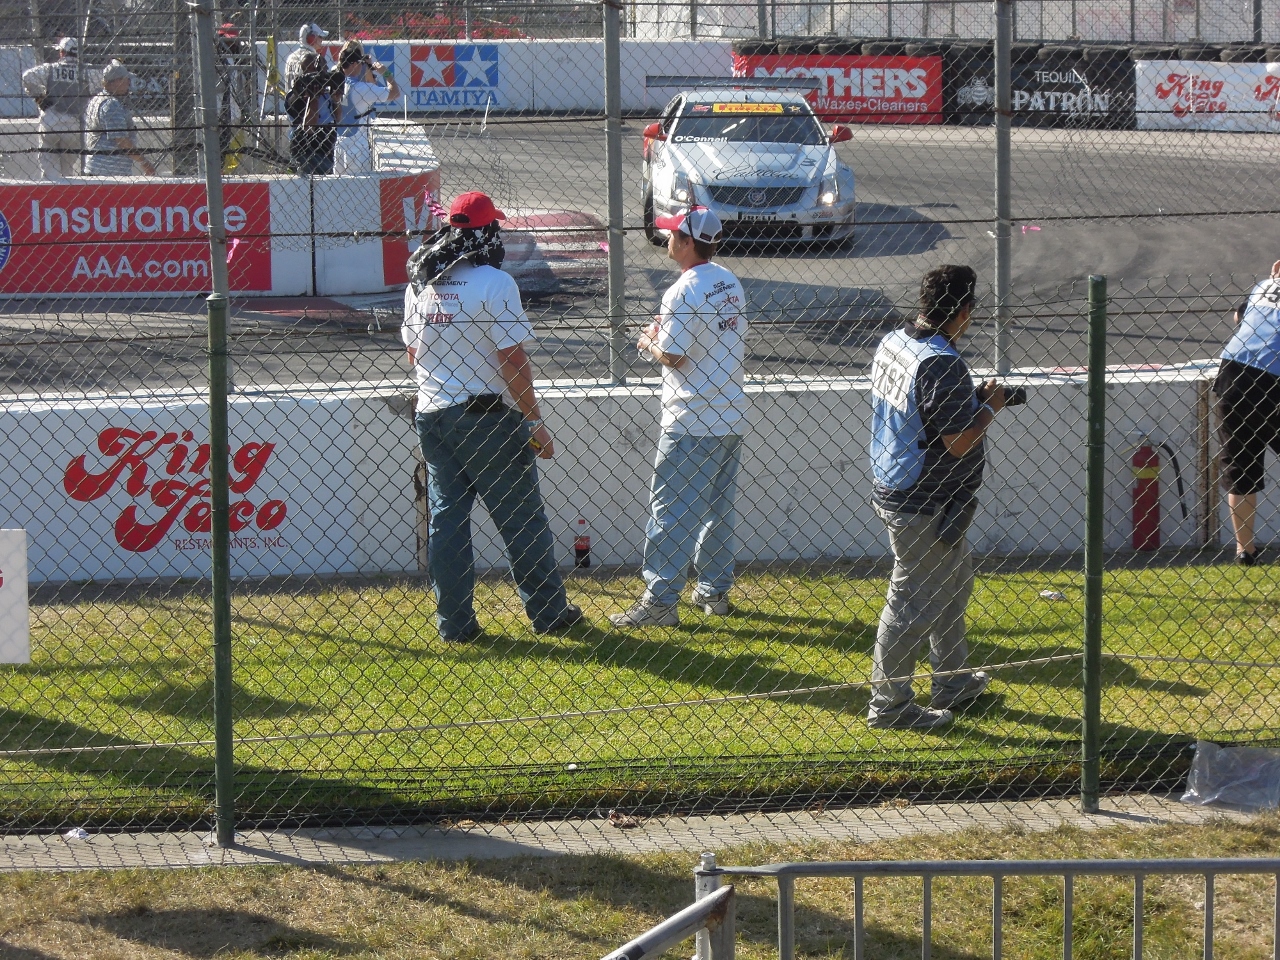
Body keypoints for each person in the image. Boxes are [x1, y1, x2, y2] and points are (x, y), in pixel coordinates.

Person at [401, 190, 584, 642]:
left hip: (432, 414)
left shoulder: (420, 283)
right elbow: (512, 360)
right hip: (486, 417)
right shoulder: (494, 283)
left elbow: (412, 354)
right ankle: (549, 613)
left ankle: (455, 625)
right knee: (521, 516)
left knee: (447, 518)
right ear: (487, 231)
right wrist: (535, 421)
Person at [865, 264, 1003, 729]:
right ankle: (890, 707)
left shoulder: (895, 341)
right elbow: (959, 441)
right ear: (963, 311)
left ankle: (953, 681)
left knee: (955, 583)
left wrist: (970, 400)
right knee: (912, 603)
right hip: (923, 499)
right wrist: (989, 407)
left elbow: (923, 409)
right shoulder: (942, 362)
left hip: (906, 483)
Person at [609, 206, 748, 628]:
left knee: (670, 509)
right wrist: (665, 332)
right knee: (717, 508)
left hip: (691, 418)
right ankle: (714, 591)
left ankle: (660, 601)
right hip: (728, 415)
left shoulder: (682, 291)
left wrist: (646, 340)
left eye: (674, 235)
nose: (668, 240)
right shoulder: (729, 282)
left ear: (688, 243)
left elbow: (673, 355)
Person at [1215, 259, 1280, 566]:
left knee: (1240, 463)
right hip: (1274, 379)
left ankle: (1245, 550)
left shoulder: (1263, 288)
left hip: (1233, 374)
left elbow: (1239, 316)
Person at [21, 37, 92, 179]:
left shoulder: (50, 69)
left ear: (62, 53)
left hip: (51, 119)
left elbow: (27, 77)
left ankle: (50, 195)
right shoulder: (86, 72)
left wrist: (39, 97)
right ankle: (68, 196)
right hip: (75, 123)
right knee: (69, 169)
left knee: (48, 166)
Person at [334, 43, 400, 175]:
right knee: (360, 190)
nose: (362, 66)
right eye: (360, 63)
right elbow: (395, 93)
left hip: (339, 144)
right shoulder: (361, 89)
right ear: (353, 64)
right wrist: (385, 72)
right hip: (357, 146)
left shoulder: (336, 83)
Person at [83, 61, 155, 177]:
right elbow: (122, 141)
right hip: (107, 172)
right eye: (126, 79)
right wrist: (144, 162)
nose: (129, 83)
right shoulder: (111, 105)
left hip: (98, 168)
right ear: (117, 81)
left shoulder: (97, 99)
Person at [286, 52, 341, 175]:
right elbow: (309, 128)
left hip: (326, 148)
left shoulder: (326, 92)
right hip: (305, 152)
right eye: (320, 70)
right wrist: (314, 98)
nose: (324, 74)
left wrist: (336, 101)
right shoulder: (295, 96)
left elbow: (338, 119)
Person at [285, 22, 332, 93]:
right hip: (307, 100)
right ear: (311, 38)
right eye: (320, 37)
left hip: (290, 99)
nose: (322, 40)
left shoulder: (291, 57)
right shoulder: (313, 58)